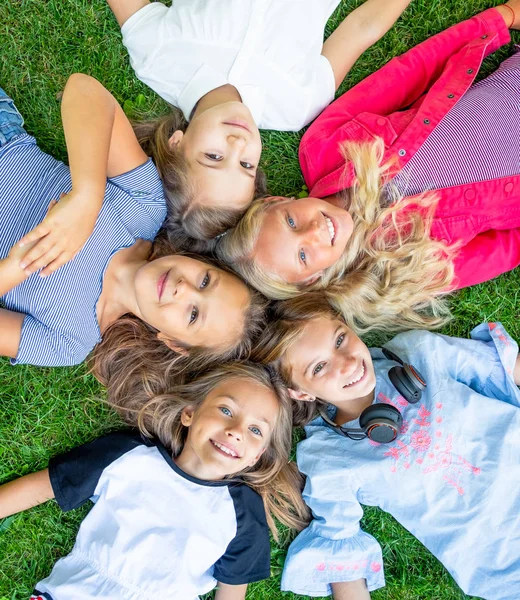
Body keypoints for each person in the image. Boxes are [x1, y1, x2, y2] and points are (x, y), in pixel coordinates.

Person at [217, 3, 520, 333]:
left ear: (278, 201)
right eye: (303, 256)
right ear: (313, 280)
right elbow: (503, 251)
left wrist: (500, 18)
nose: (314, 231)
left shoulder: (324, 148)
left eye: (291, 221)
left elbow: (408, 75)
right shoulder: (402, 271)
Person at [253, 294, 520, 599]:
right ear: (299, 393)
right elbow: (341, 548)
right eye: (319, 367)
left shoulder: (417, 353)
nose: (348, 363)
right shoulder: (329, 456)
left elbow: (498, 367)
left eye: (340, 339)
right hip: (503, 557)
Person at [0, 76, 265, 368]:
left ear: (173, 342)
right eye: (205, 281)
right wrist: (86, 200)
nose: (183, 289)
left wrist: (17, 268)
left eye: (192, 314)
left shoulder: (69, 343)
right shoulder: (146, 207)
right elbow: (85, 91)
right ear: (201, 261)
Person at [106, 0, 414, 243]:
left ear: (177, 142)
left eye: (214, 157)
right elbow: (362, 28)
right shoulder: (296, 106)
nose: (238, 145)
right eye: (246, 166)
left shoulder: (158, 59)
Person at [0, 363, 310, 599]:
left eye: (256, 430)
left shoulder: (244, 513)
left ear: (257, 456)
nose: (237, 430)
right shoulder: (130, 456)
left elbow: (231, 592)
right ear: (190, 412)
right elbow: (42, 487)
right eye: (226, 409)